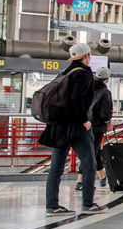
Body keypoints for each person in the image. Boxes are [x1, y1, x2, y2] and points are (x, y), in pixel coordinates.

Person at [38, 43, 105, 215]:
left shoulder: (65, 72)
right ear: (87, 56)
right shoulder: (83, 73)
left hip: (58, 126)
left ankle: (51, 206)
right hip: (75, 127)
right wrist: (85, 121)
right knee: (89, 163)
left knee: (56, 168)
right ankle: (88, 204)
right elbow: (77, 101)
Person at [85, 66, 113, 189]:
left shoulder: (88, 89)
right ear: (107, 79)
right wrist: (108, 123)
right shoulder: (105, 92)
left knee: (94, 152)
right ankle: (81, 182)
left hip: (85, 124)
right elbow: (106, 112)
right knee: (91, 153)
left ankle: (102, 178)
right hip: (97, 127)